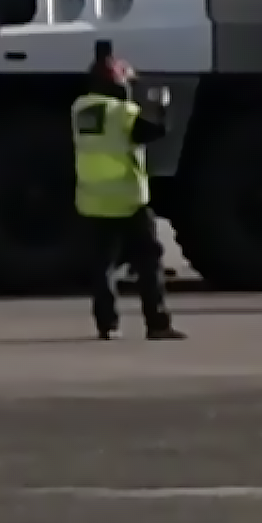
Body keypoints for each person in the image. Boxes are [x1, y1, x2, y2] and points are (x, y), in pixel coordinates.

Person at [71, 40, 182, 341]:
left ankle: (107, 325)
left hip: (93, 200)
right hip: (128, 200)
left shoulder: (80, 111)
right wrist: (163, 108)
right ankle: (157, 323)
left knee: (102, 267)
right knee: (149, 262)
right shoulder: (122, 113)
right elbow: (154, 132)